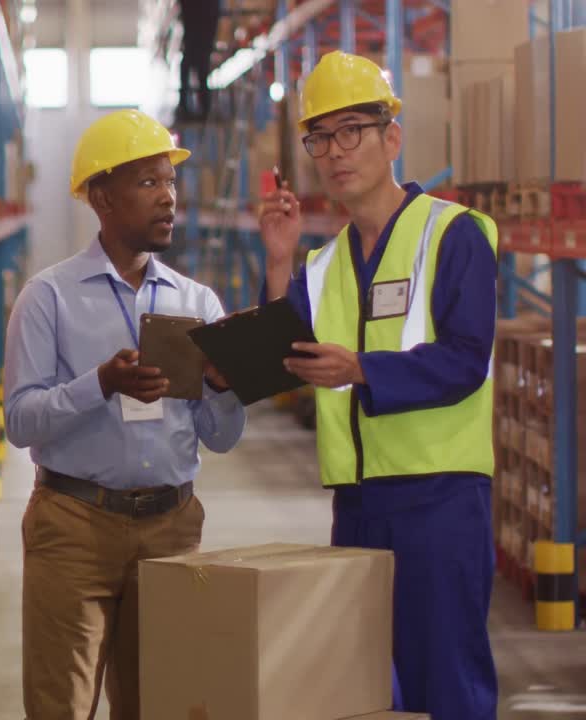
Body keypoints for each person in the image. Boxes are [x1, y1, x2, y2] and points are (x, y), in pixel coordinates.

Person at [258, 51, 499, 720]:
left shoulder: (452, 235)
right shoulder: (322, 263)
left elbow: (466, 359)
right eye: (320, 138)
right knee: (366, 688)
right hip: (358, 507)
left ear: (392, 138)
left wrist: (362, 370)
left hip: (441, 500)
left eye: (351, 131)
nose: (335, 152)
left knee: (446, 682)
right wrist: (278, 264)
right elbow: (279, 359)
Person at [4, 109, 246, 720]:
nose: (168, 197)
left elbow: (223, 438)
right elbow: (21, 421)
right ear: (102, 197)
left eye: (170, 182)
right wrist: (101, 384)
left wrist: (220, 386)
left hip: (171, 528)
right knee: (62, 703)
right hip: (74, 526)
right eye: (148, 183)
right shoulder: (48, 298)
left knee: (159, 702)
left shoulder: (198, 303)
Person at [176, 0, 221, 122]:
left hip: (199, 37)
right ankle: (191, 107)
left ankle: (201, 108)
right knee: (195, 69)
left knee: (198, 70)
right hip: (197, 36)